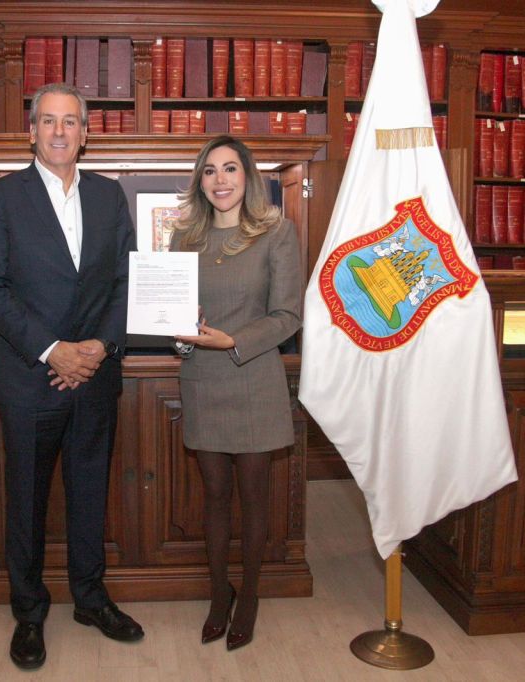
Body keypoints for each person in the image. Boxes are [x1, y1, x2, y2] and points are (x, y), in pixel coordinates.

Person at [0, 82, 141, 670]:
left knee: (91, 494)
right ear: (32, 131)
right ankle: (28, 612)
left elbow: (127, 278)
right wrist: (52, 351)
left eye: (70, 121)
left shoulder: (108, 196)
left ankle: (91, 599)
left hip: (95, 375)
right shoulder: (2, 196)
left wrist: (97, 347)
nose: (60, 131)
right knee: (26, 500)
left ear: (86, 133)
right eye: (48, 120)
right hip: (30, 379)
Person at [171, 135, 302, 651]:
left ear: (247, 176)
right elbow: (175, 321)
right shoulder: (184, 238)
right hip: (202, 380)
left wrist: (233, 340)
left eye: (230, 168)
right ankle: (218, 594)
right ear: (199, 181)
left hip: (253, 379)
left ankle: (248, 595)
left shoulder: (277, 233)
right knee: (215, 497)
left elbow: (288, 315)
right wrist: (182, 337)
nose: (220, 180)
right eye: (210, 171)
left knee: (252, 497)